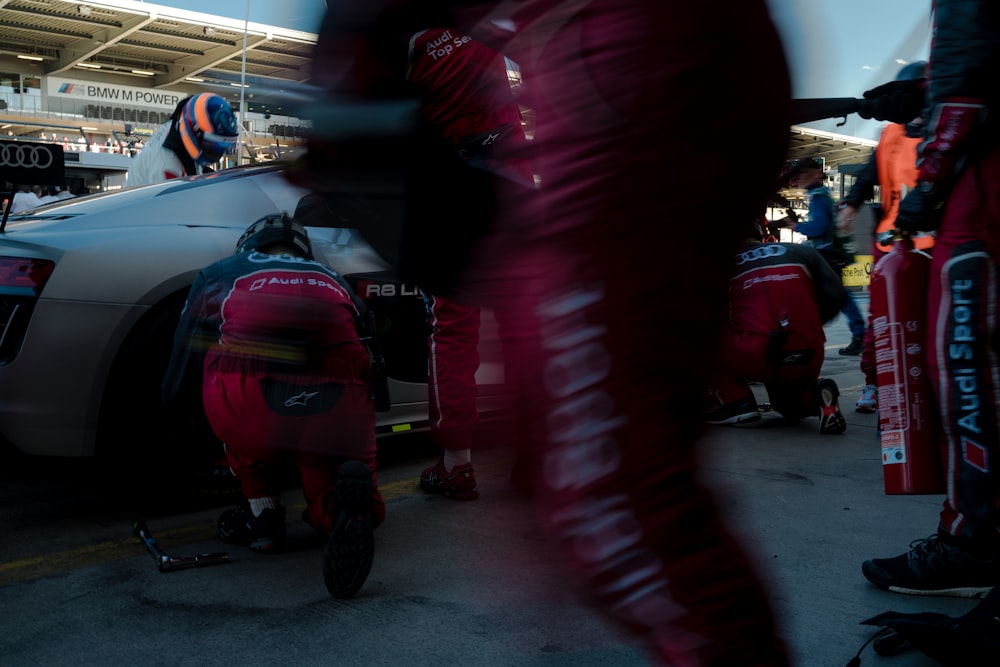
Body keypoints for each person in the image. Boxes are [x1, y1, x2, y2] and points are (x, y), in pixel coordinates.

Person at [307, 1, 793, 663]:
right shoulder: (479, 54)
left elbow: (350, 96)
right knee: (604, 425)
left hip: (614, 68)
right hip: (639, 93)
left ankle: (459, 465)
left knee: (604, 493)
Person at [162, 213, 384, 599]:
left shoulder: (220, 272)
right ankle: (342, 513)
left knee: (222, 356)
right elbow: (371, 358)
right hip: (338, 406)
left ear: (250, 242)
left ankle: (262, 515)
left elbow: (183, 357)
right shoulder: (333, 278)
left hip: (254, 406)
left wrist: (179, 414)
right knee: (328, 459)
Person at [860, 0, 1000, 599]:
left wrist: (925, 197)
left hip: (982, 210)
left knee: (968, 371)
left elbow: (965, 97)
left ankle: (974, 542)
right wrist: (922, 89)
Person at [837, 61, 933, 415]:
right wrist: (850, 203)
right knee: (882, 319)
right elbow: (870, 172)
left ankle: (927, 383)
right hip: (890, 245)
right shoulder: (891, 133)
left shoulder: (946, 133)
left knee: (931, 320)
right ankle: (874, 384)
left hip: (932, 244)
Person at [706, 220, 849, 434]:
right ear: (762, 234)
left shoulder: (720, 264)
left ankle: (736, 400)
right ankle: (817, 394)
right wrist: (806, 329)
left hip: (755, 351)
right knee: (789, 407)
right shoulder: (801, 251)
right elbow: (837, 295)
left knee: (695, 338)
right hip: (807, 351)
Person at [778, 157, 867, 355]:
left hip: (827, 255)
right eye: (798, 173)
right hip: (832, 253)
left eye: (803, 173)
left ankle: (802, 337)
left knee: (819, 295)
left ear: (817, 174)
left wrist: (796, 226)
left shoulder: (818, 195)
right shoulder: (821, 194)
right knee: (841, 296)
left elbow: (819, 227)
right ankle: (859, 335)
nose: (799, 177)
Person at [126, 92, 239, 187]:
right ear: (194, 133)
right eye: (213, 146)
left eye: (223, 148)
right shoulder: (168, 167)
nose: (218, 152)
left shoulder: (177, 126)